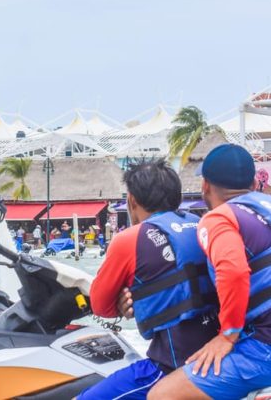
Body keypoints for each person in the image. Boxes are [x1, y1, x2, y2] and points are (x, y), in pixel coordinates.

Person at [78, 159, 219, 399]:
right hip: (219, 358)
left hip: (170, 368)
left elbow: (100, 306)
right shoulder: (203, 225)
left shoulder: (129, 239)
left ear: (132, 200)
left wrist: (125, 302)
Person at [149, 144, 271, 399]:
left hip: (264, 344)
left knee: (163, 395)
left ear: (205, 185)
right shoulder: (266, 207)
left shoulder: (219, 219)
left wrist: (228, 335)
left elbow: (234, 272)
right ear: (253, 183)